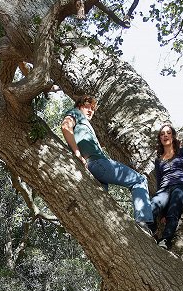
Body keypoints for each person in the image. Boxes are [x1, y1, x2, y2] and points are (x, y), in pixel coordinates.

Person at [61, 95, 154, 231]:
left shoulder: (85, 124)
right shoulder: (76, 113)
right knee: (139, 180)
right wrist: (77, 153)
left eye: (93, 109)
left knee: (102, 207)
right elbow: (65, 126)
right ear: (79, 106)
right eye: (87, 106)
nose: (90, 111)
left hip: (92, 169)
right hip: (97, 163)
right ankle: (143, 222)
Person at [149, 123, 183, 249]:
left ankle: (165, 240)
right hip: (164, 188)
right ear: (160, 139)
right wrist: (163, 213)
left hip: (181, 186)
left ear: (173, 136)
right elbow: (160, 180)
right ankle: (150, 230)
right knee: (152, 206)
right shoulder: (158, 160)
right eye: (162, 134)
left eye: (168, 133)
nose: (165, 135)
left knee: (173, 212)